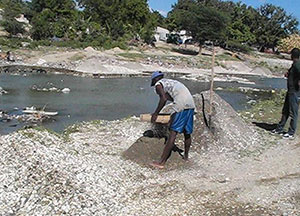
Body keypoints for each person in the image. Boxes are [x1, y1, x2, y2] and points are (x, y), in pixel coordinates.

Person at [149, 71, 195, 169]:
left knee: (172, 134)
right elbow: (170, 97)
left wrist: (156, 113)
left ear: (155, 80)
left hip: (181, 103)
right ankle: (186, 157)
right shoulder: (170, 82)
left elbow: (163, 99)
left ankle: (161, 162)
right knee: (187, 133)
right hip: (191, 103)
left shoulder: (158, 85)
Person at [272, 48, 300, 139]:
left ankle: (291, 132)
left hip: (295, 92)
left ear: (293, 55)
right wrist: (288, 74)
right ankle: (280, 128)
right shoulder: (294, 64)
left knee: (293, 113)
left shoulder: (298, 65)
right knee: (285, 110)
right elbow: (292, 73)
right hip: (290, 91)